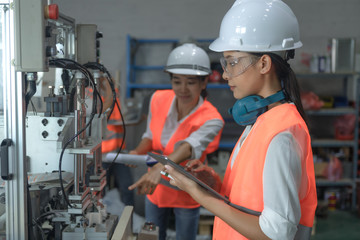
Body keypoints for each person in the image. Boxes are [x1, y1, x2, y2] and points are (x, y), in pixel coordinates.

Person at [164, 0, 318, 239]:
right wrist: (211, 183)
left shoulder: (281, 136)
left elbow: (276, 233)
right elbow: (247, 198)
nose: (225, 73)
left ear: (264, 63)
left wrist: (199, 194)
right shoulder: (261, 120)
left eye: (232, 62)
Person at [128, 43, 225, 240]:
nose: (183, 89)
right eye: (177, 81)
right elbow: (149, 136)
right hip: (155, 186)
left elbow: (188, 146)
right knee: (153, 235)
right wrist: (136, 153)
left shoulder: (212, 118)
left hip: (187, 188)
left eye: (190, 82)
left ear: (204, 82)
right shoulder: (158, 99)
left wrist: (158, 169)